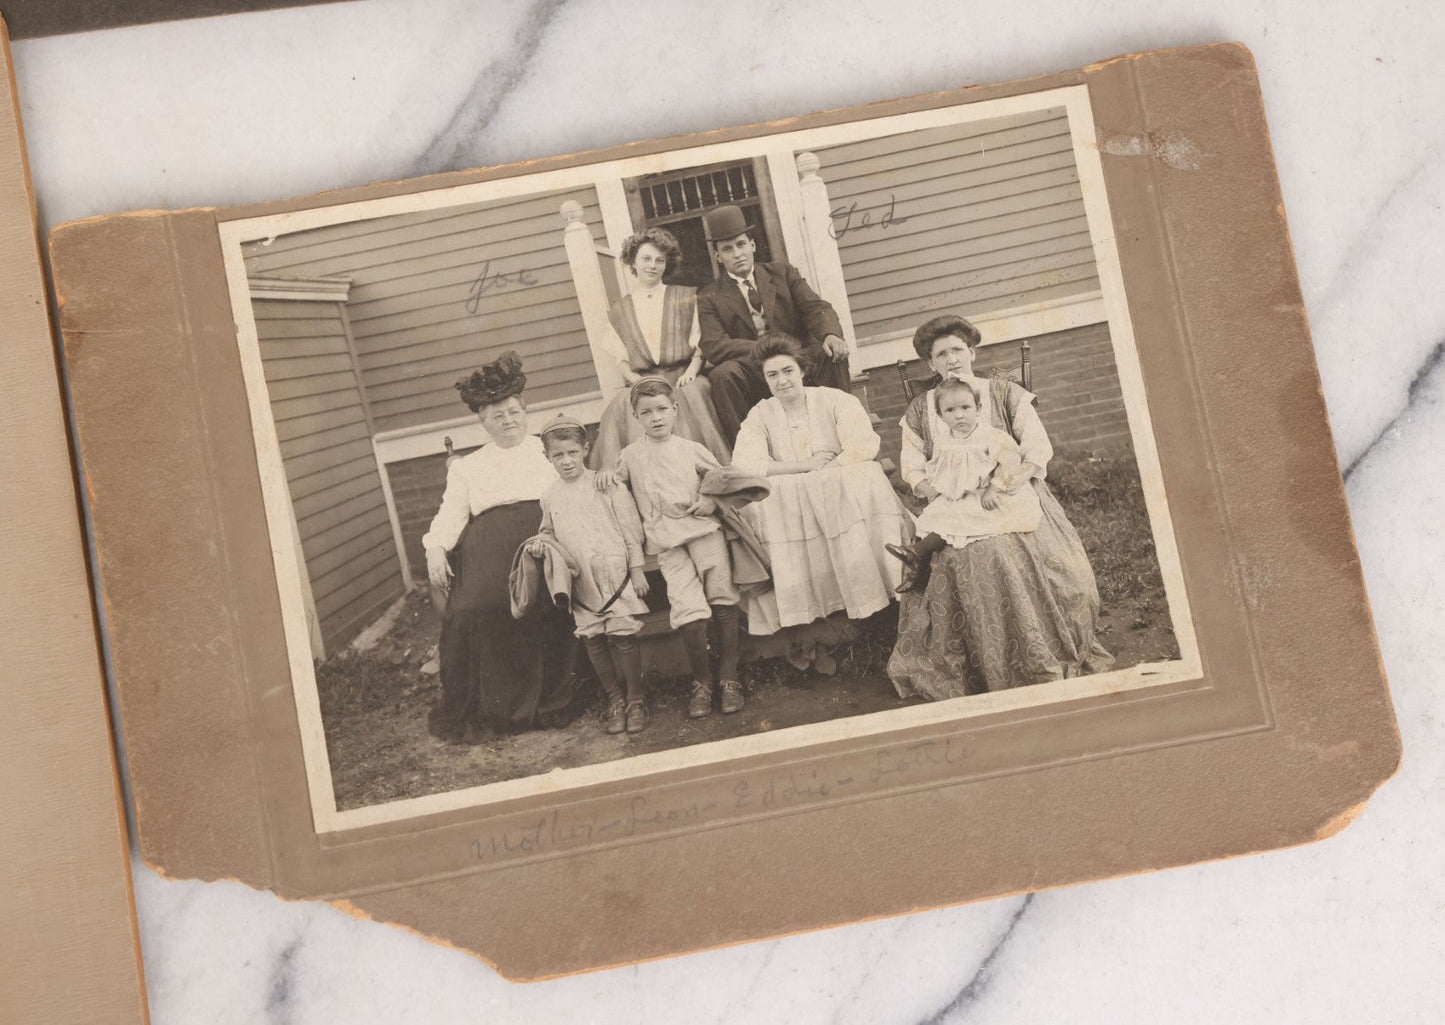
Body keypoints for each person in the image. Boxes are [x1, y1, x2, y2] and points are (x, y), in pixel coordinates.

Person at [888, 314, 1113, 698]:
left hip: (1010, 490)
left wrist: (1002, 484)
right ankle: (975, 658)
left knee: (1010, 552)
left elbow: (1036, 449)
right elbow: (912, 465)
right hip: (952, 498)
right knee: (960, 556)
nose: (951, 359)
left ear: (972, 352)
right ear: (931, 364)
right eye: (941, 354)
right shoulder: (922, 409)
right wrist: (938, 492)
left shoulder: (1005, 394)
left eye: (958, 349)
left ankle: (1038, 647)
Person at [423, 351, 574, 740]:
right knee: (477, 607)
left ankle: (547, 700)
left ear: (525, 411)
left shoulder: (548, 450)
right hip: (487, 545)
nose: (508, 421)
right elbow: (451, 514)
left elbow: (577, 490)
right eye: (497, 416)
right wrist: (435, 549)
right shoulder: (468, 466)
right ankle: (497, 705)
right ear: (482, 421)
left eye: (513, 412)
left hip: (543, 538)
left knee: (543, 602)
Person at [730, 333, 913, 650]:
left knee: (861, 478)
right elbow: (746, 463)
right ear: (765, 379)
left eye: (788, 371)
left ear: (801, 370)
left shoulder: (835, 400)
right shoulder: (761, 414)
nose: (782, 381)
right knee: (769, 496)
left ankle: (880, 607)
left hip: (838, 481)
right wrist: (804, 466)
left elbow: (863, 445)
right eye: (772, 375)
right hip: (799, 487)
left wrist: (827, 469)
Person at [601, 377, 744, 719]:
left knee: (722, 598)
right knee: (687, 611)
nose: (656, 417)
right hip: (667, 544)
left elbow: (725, 479)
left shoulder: (691, 448)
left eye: (662, 409)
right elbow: (614, 484)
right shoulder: (630, 455)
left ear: (675, 410)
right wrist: (605, 474)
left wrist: (710, 499)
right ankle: (702, 682)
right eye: (646, 412)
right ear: (636, 418)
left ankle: (729, 677)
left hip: (704, 533)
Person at [532, 416, 652, 734]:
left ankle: (635, 699)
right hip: (581, 581)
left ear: (585, 449)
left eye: (572, 452)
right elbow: (547, 533)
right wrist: (540, 545)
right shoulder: (550, 496)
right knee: (595, 641)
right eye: (558, 455)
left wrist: (637, 568)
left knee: (622, 638)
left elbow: (631, 530)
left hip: (615, 573)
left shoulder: (604, 483)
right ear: (548, 457)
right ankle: (614, 700)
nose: (566, 461)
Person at [695, 204, 852, 442]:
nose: (737, 254)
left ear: (753, 245)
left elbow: (816, 307)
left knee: (830, 352)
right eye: (727, 249)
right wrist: (765, 350)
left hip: (796, 359)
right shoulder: (709, 295)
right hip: (751, 369)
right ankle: (750, 447)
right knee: (722, 375)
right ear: (718, 256)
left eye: (741, 244)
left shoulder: (782, 273)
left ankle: (846, 429)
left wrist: (830, 334)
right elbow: (713, 344)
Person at [590, 227, 730, 471]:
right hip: (643, 380)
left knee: (694, 394)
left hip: (682, 377)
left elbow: (701, 344)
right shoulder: (621, 309)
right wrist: (636, 381)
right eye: (646, 259)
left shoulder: (684, 297)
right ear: (633, 262)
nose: (652, 266)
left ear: (667, 264)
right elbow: (621, 359)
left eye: (659, 260)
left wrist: (692, 371)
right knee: (625, 406)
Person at [884, 377, 1041, 592]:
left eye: (966, 407)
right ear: (940, 416)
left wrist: (995, 487)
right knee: (937, 516)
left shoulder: (991, 436)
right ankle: (918, 565)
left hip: (991, 495)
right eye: (950, 411)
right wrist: (941, 489)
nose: (959, 415)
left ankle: (917, 554)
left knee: (958, 518)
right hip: (961, 495)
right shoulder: (944, 441)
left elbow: (1011, 462)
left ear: (978, 408)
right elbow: (940, 469)